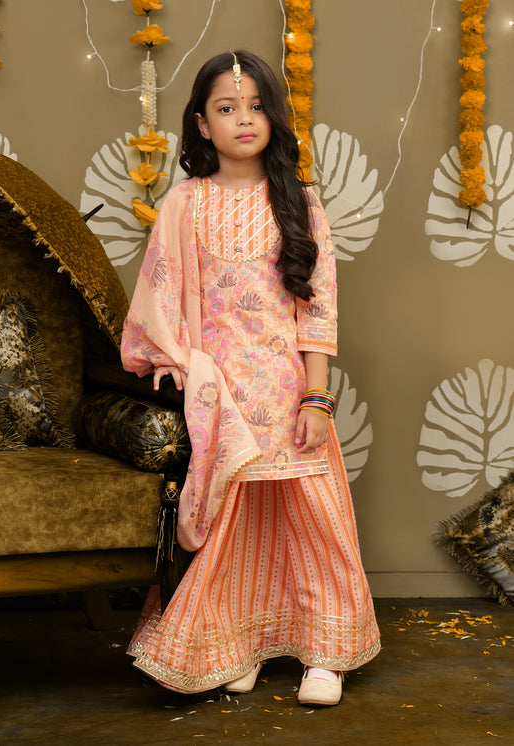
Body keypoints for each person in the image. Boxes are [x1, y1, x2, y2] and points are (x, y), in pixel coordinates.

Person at [121, 50, 380, 707]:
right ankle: (241, 644)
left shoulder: (300, 202)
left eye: (257, 105)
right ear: (201, 125)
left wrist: (317, 397)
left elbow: (315, 307)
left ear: (275, 116)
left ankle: (325, 653)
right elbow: (159, 296)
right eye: (226, 108)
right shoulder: (185, 203)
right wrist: (184, 372)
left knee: (310, 523)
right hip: (220, 399)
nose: (244, 119)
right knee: (235, 529)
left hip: (287, 391)